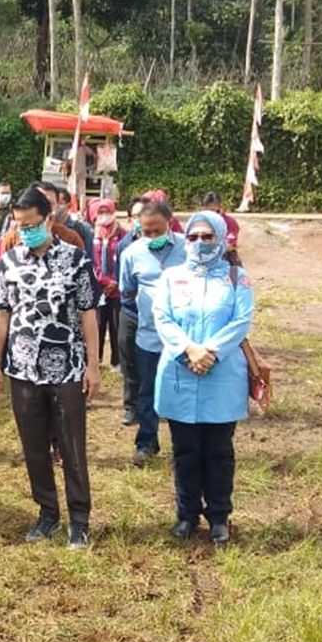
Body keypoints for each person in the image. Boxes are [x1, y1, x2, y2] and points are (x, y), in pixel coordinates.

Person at [0, 185, 99, 550]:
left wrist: (93, 367)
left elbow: (88, 315)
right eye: (20, 225)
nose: (26, 231)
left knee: (71, 446)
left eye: (32, 224)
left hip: (67, 368)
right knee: (33, 446)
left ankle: (79, 519)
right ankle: (47, 512)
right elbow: (1, 315)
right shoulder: (9, 262)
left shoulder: (76, 259)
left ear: (49, 219)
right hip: (22, 369)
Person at [153, 211, 254, 544]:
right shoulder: (171, 277)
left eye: (206, 237)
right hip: (180, 372)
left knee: (219, 451)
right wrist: (188, 351)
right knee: (185, 451)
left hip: (221, 375)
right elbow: (162, 318)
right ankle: (186, 514)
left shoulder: (237, 278)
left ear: (221, 238)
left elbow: (241, 321)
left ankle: (219, 517)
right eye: (192, 237)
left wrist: (209, 350)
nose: (198, 243)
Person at [118, 198, 187, 468]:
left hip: (183, 338)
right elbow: (128, 288)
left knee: (181, 390)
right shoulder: (131, 253)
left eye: (158, 230)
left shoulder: (187, 248)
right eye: (146, 232)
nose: (152, 236)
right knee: (148, 391)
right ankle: (146, 443)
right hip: (148, 336)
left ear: (169, 224)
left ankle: (183, 445)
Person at [115, 196, 146, 425]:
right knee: (129, 361)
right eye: (136, 215)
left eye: (144, 213)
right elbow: (123, 283)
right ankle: (131, 407)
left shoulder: (170, 243)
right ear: (129, 219)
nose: (141, 219)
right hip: (131, 311)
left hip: (158, 316)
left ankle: (155, 405)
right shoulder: (124, 245)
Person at [89, 199, 127, 371]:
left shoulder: (123, 234)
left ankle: (116, 361)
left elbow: (126, 259)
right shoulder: (91, 235)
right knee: (97, 325)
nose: (104, 216)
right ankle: (95, 360)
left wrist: (116, 281)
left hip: (118, 289)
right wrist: (103, 281)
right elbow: (90, 261)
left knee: (116, 325)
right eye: (100, 212)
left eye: (107, 212)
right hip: (98, 289)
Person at [201, 191, 242, 266]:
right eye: (206, 211)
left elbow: (228, 245)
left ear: (220, 208)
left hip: (225, 257)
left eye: (213, 210)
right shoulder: (198, 223)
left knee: (236, 273)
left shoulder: (229, 222)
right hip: (203, 258)